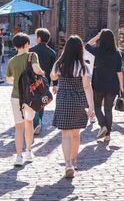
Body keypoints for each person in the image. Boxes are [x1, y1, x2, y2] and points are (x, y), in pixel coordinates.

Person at [50, 35, 94, 178]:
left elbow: (52, 77)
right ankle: (74, 161)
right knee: (76, 134)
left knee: (65, 134)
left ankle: (67, 163)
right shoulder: (83, 66)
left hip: (63, 100)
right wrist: (91, 107)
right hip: (78, 101)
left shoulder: (60, 64)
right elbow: (87, 87)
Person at [6, 33, 43, 166]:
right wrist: (42, 74)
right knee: (29, 123)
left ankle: (18, 156)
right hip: (30, 96)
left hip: (16, 96)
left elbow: (9, 80)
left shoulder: (11, 61)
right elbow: (36, 69)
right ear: (26, 44)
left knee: (18, 127)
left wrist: (18, 79)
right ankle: (28, 151)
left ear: (15, 46)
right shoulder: (32, 56)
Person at [85, 29, 123, 141]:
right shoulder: (117, 53)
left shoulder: (98, 51)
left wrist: (97, 36)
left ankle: (103, 126)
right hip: (113, 85)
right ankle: (108, 135)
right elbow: (119, 71)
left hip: (98, 84)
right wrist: (122, 86)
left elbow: (87, 45)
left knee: (97, 107)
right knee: (108, 109)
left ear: (101, 39)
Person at [29, 28, 57, 135]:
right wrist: (55, 84)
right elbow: (54, 70)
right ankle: (38, 120)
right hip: (45, 81)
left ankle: (35, 122)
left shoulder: (31, 50)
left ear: (39, 38)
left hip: (32, 79)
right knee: (42, 101)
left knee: (31, 100)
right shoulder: (52, 52)